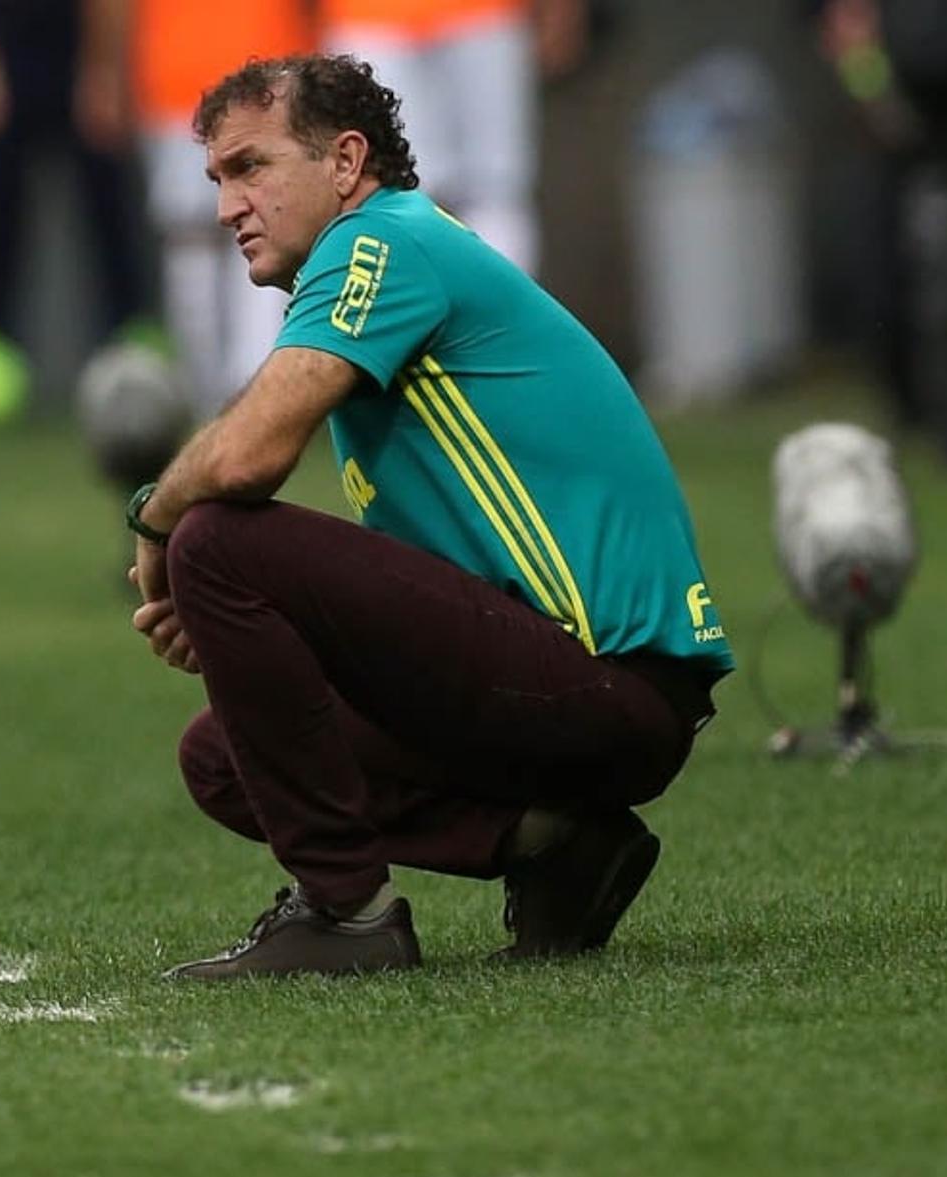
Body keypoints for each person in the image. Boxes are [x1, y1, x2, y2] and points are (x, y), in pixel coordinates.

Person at [127, 54, 734, 980]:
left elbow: (247, 458)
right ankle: (555, 844)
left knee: (215, 538)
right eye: (217, 179)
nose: (225, 208)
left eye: (250, 167)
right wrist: (257, 641)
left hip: (608, 683)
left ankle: (345, 915)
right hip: (573, 691)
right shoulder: (387, 259)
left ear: (345, 162)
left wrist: (156, 518)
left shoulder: (383, 242)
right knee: (222, 755)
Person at [129, 0, 314, 421]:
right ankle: (253, 398)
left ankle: (226, 401)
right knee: (257, 226)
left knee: (195, 240)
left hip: (186, 71)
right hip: (258, 70)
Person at [0, 0, 151, 426]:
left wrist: (103, 70)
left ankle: (130, 338)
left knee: (106, 197)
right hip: (8, 53)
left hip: (77, 54)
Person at [315, 0, 586, 275]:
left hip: (475, 18)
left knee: (491, 192)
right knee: (396, 195)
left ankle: (494, 311)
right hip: (377, 22)